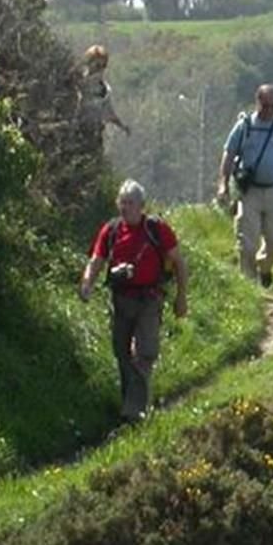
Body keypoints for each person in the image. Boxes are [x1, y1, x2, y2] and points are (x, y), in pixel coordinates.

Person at [80, 180, 186, 423]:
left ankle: (134, 411)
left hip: (150, 299)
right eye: (122, 202)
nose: (125, 207)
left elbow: (179, 263)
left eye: (130, 203)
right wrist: (86, 284)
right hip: (121, 300)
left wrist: (181, 298)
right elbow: (96, 260)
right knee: (122, 352)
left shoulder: (157, 230)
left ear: (141, 205)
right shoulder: (111, 231)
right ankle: (131, 402)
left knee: (145, 353)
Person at [218, 84, 273, 290]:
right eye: (265, 105)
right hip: (249, 192)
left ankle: (264, 267)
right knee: (247, 243)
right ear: (257, 102)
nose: (269, 110)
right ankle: (248, 289)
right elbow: (228, 155)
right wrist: (223, 184)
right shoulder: (244, 126)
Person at [79, 45, 130, 136]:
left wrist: (122, 126)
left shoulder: (104, 90)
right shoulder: (78, 83)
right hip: (77, 130)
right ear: (88, 64)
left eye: (103, 66)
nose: (100, 70)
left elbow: (109, 112)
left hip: (94, 134)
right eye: (97, 65)